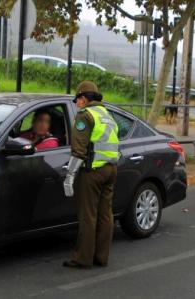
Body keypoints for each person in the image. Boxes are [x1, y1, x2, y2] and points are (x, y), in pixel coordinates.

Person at [62, 81, 119, 269]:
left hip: (92, 172)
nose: (76, 103)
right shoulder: (107, 116)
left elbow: (78, 150)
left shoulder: (85, 116)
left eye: (77, 99)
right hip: (111, 170)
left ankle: (83, 259)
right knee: (105, 214)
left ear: (84, 98)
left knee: (88, 216)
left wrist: (69, 176)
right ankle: (101, 257)